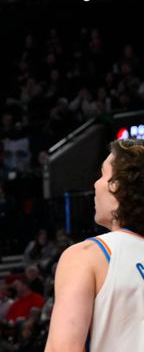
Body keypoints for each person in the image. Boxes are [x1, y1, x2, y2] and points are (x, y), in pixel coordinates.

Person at [45, 139, 144, 351]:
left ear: (116, 185)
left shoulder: (88, 255)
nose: (95, 184)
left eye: (102, 174)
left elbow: (62, 348)